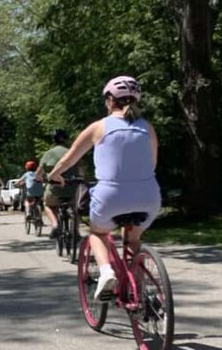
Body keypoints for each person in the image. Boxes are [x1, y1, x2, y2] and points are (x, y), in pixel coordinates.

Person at [48, 76, 161, 299]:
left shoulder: (99, 127)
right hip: (149, 196)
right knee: (133, 239)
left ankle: (107, 273)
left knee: (97, 233)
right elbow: (153, 163)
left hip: (111, 196)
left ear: (110, 100)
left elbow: (69, 159)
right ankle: (140, 293)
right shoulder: (147, 128)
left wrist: (54, 175)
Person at [36, 129, 77, 238]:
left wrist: (39, 179)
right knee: (75, 208)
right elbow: (81, 170)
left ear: (53, 140)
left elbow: (39, 172)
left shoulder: (49, 153)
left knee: (48, 205)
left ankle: (55, 225)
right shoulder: (72, 152)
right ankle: (76, 231)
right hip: (72, 188)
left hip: (55, 189)